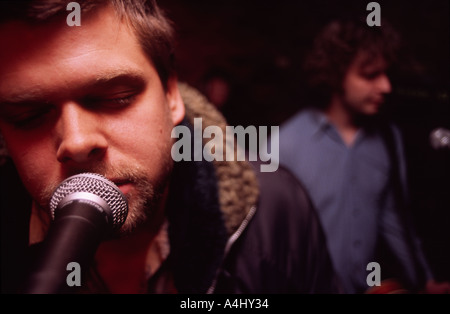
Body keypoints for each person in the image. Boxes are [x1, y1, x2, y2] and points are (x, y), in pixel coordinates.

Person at [0, 0, 340, 294]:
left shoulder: (278, 209)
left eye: (115, 98)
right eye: (28, 116)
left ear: (171, 94)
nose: (76, 141)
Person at [278, 16, 450, 294]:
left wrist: (424, 280)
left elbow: (394, 219)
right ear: (336, 74)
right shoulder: (285, 144)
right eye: (370, 75)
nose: (386, 86)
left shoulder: (388, 139)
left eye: (386, 74)